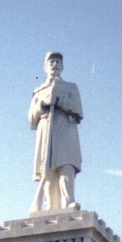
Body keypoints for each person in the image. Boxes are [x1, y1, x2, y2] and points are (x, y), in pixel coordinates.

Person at [28, 51, 83, 214]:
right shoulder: (39, 91)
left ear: (63, 66)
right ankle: (51, 206)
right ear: (45, 67)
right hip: (45, 130)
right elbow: (31, 117)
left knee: (66, 164)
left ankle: (68, 202)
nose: (55, 64)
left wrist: (60, 100)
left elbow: (79, 111)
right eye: (51, 62)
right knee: (48, 169)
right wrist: (42, 105)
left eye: (58, 62)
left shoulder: (71, 88)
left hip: (65, 128)